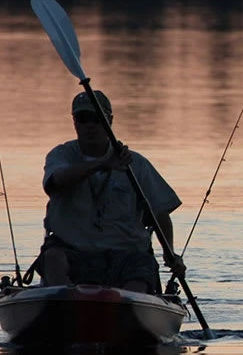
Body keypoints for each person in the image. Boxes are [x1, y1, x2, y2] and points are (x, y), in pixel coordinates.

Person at [37, 90, 182, 294]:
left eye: (97, 119)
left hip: (126, 255)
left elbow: (159, 213)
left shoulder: (136, 165)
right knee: (52, 257)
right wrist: (103, 164)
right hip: (73, 251)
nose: (90, 125)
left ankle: (132, 305)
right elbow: (57, 181)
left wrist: (170, 253)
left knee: (140, 269)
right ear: (74, 122)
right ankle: (64, 297)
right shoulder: (61, 155)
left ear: (109, 120)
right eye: (83, 118)